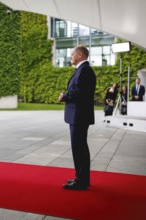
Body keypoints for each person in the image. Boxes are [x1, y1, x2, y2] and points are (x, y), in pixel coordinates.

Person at [58, 45, 96, 190]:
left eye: (72, 54)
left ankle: (81, 181)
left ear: (80, 55)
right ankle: (81, 178)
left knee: (78, 148)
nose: (70, 57)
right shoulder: (83, 70)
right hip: (78, 115)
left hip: (79, 116)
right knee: (81, 148)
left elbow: (79, 92)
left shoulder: (84, 70)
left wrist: (64, 96)